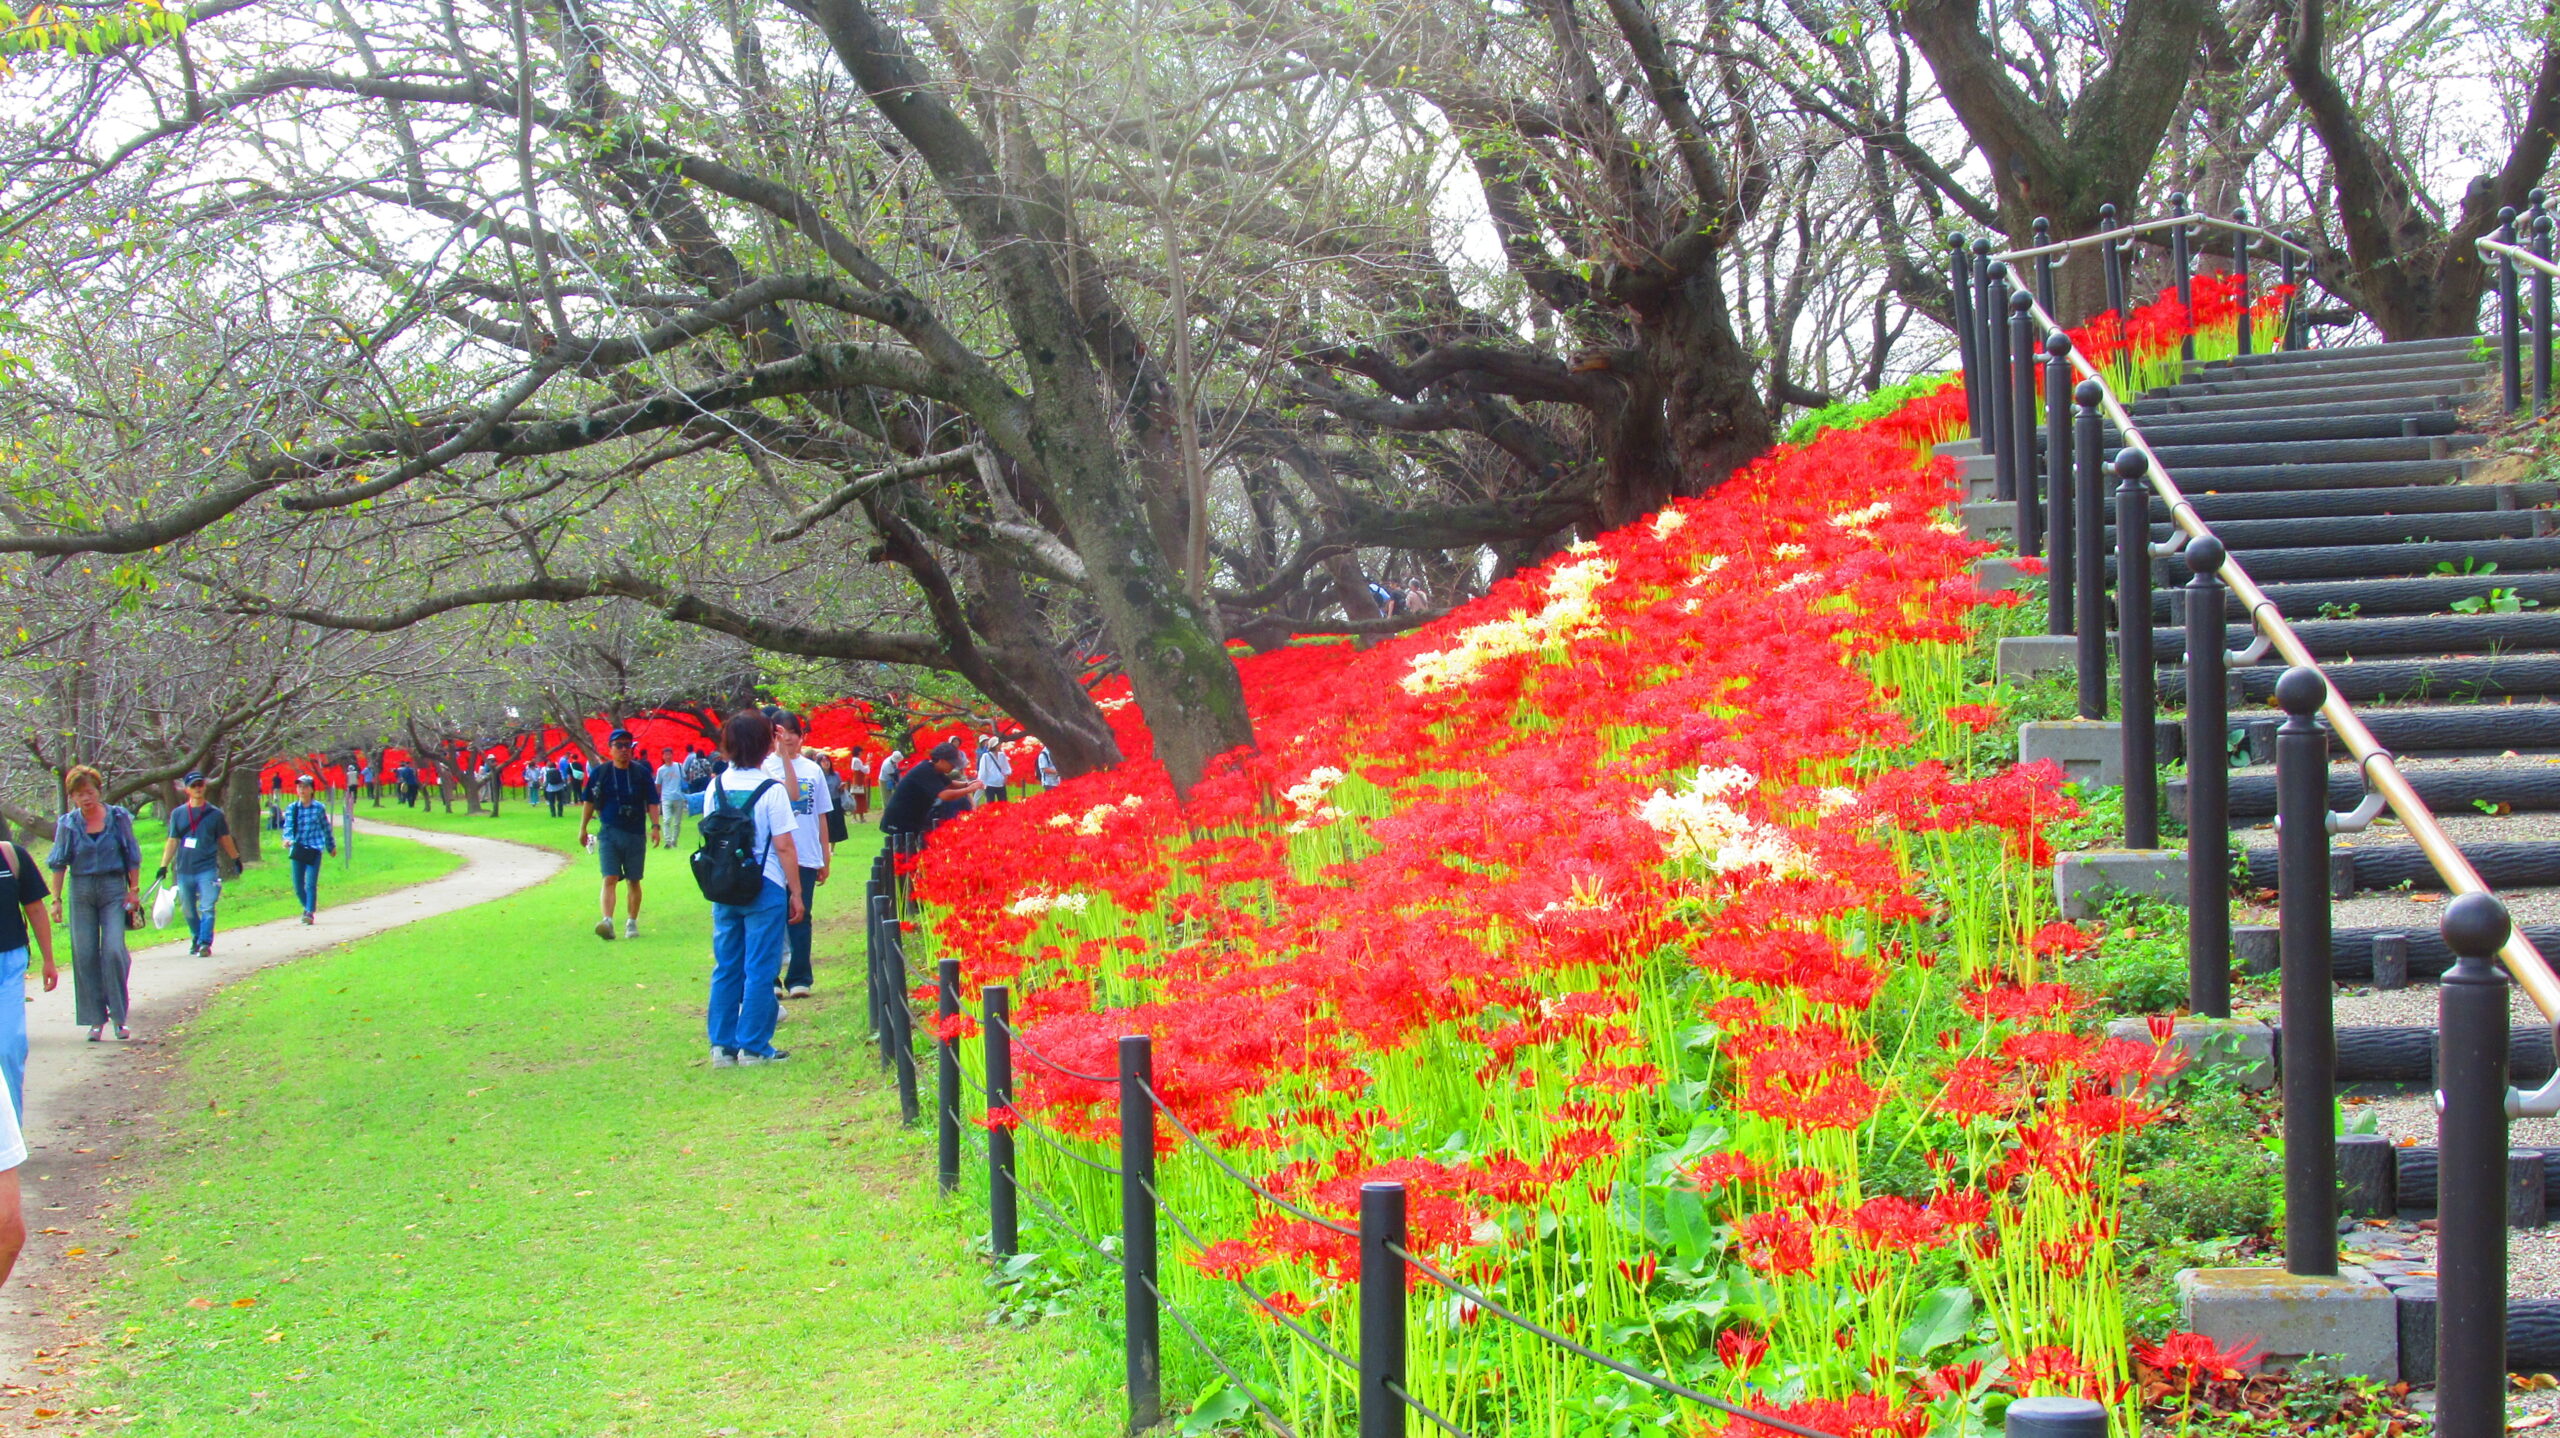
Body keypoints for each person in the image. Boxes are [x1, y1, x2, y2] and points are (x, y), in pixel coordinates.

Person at [702, 710, 804, 1067]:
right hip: (765, 885)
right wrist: (796, 892)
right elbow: (785, 846)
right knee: (760, 966)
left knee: (727, 965)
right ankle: (755, 1046)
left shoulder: (715, 787)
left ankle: (722, 1045)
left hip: (725, 886)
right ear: (766, 745)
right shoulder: (771, 790)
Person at [45, 767, 140, 1044]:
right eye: (78, 794)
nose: (85, 798)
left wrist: (133, 890)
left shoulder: (118, 817)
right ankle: (95, 1019)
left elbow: (132, 855)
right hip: (81, 889)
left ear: (98, 791)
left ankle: (119, 1017)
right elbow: (59, 863)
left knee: (112, 950)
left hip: (113, 887)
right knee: (84, 953)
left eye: (89, 792)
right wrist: (56, 899)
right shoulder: (68, 824)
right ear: (72, 797)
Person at [761, 712, 835, 999]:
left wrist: (824, 857)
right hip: (772, 856)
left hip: (804, 854)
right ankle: (771, 979)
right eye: (783, 731)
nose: (788, 737)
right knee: (771, 917)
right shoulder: (765, 766)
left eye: (793, 732)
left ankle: (800, 978)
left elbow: (821, 816)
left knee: (801, 916)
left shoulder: (812, 770)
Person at [578, 729, 661, 941]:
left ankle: (631, 922)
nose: (625, 750)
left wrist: (655, 826)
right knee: (610, 877)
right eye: (619, 746)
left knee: (634, 880)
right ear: (610, 749)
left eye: (628, 745)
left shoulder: (641, 773)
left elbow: (652, 801)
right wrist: (583, 828)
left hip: (635, 833)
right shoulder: (601, 773)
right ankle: (607, 921)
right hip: (609, 832)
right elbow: (588, 801)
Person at [0, 825, 60, 1118]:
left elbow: (35, 909)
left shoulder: (11, 856)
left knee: (9, 1048)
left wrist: (49, 959)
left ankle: (10, 1135)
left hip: (9, 962)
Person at [156, 772, 241, 958]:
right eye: (194, 786)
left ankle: (204, 943)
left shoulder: (215, 814)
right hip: (185, 869)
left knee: (207, 906)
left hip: (207, 868)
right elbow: (172, 840)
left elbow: (225, 838)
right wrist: (163, 866)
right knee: (188, 908)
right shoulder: (178, 814)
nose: (198, 788)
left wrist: (235, 858)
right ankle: (197, 936)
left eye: (200, 784)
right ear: (187, 789)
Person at [880, 742, 980, 843]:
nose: (954, 766)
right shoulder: (925, 770)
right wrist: (968, 790)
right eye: (952, 763)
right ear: (941, 761)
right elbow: (944, 795)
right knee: (903, 852)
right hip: (900, 819)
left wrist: (967, 784)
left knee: (914, 850)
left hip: (914, 818)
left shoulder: (934, 769)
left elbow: (949, 784)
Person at [279, 773, 336, 927]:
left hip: (314, 849)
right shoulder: (292, 808)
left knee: (310, 883)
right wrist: (287, 839)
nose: (301, 790)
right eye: (299, 787)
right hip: (298, 849)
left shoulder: (318, 808)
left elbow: (326, 828)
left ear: (311, 790)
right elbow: (288, 827)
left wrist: (331, 846)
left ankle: (309, 912)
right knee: (298, 886)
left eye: (305, 787)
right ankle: (307, 907)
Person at [654, 747, 688, 849]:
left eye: (670, 754)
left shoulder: (678, 766)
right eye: (666, 755)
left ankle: (674, 841)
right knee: (667, 820)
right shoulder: (661, 770)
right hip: (666, 798)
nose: (668, 757)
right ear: (663, 757)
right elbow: (658, 784)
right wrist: (658, 797)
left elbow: (684, 778)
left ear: (672, 755)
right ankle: (668, 841)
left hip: (678, 797)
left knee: (677, 822)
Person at [975, 733, 1012, 804]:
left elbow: (1006, 767)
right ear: (994, 746)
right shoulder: (985, 756)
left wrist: (1006, 777)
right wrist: (981, 782)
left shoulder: (1002, 755)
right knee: (990, 803)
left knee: (1003, 803)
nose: (1000, 745)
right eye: (998, 744)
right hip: (990, 783)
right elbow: (982, 771)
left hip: (1001, 783)